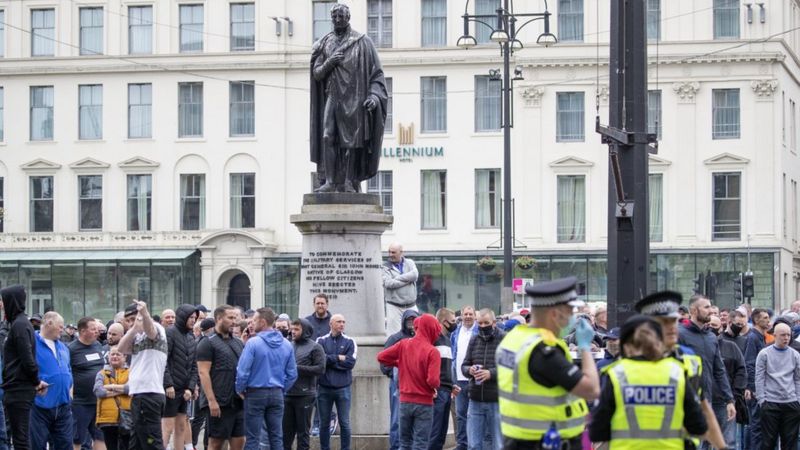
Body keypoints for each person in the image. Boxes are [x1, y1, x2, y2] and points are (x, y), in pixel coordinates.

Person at [496, 277, 599, 449]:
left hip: (519, 438)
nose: (573, 318)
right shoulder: (543, 351)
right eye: (570, 312)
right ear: (555, 314)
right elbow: (592, 389)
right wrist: (585, 347)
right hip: (547, 442)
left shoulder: (513, 340)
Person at [589, 315, 708, 448]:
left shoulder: (617, 374)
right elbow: (699, 426)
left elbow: (597, 431)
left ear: (628, 346)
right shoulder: (676, 373)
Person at [309, 3, 387, 193]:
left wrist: (374, 97)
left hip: (355, 99)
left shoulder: (363, 42)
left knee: (351, 141)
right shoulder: (324, 43)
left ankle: (349, 181)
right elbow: (317, 73)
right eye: (334, 17)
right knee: (328, 136)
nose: (337, 20)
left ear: (348, 18)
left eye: (341, 16)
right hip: (333, 96)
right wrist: (330, 62)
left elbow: (376, 75)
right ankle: (329, 181)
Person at [635, 290, 728, 449]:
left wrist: (722, 447)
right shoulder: (627, 367)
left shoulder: (688, 360)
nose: (672, 328)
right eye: (665, 323)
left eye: (674, 322)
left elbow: (703, 408)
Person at [235, 307, 298, 450]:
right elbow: (292, 374)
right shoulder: (287, 344)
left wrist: (240, 388)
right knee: (276, 437)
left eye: (255, 320)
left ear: (263, 322)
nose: (251, 324)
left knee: (252, 438)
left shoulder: (253, 343)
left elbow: (243, 371)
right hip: (277, 392)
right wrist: (282, 388)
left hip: (255, 392)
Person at [678, 295, 736, 449]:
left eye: (711, 307)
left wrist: (729, 400)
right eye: (706, 307)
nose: (711, 311)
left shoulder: (711, 337)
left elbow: (719, 370)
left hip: (707, 400)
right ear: (693, 310)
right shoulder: (679, 334)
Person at [377, 314, 441, 450]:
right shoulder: (432, 351)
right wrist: (433, 388)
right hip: (424, 403)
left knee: (404, 443)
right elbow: (433, 380)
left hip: (405, 401)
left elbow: (381, 357)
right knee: (420, 444)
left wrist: (399, 363)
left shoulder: (404, 344)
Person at [118, 300, 168, 450]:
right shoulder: (135, 335)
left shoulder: (157, 328)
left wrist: (144, 314)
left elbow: (151, 332)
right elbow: (121, 349)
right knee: (136, 443)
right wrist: (133, 329)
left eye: (133, 319)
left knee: (152, 442)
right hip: (139, 394)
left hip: (149, 394)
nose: (131, 323)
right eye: (128, 321)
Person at [1, 285, 47, 450]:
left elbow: (27, 359)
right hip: (17, 388)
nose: (2, 304)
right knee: (20, 437)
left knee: (20, 439)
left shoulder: (20, 325)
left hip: (19, 389)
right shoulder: (18, 324)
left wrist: (36, 381)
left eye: (3, 300)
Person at [197, 305, 244, 450]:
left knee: (240, 440)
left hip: (238, 401)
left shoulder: (237, 342)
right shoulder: (207, 342)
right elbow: (203, 373)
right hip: (219, 402)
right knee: (216, 443)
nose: (234, 321)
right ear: (218, 319)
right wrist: (212, 401)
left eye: (235, 318)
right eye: (230, 318)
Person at [461, 309, 507, 450]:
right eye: (479, 323)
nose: (482, 326)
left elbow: (511, 368)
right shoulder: (474, 339)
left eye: (486, 323)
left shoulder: (504, 339)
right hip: (475, 399)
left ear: (494, 323)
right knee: (474, 445)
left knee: (498, 444)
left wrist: (491, 374)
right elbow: (464, 365)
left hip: (496, 400)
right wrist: (470, 370)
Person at [31, 311, 73, 450]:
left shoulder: (63, 346)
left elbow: (68, 370)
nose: (63, 329)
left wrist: (70, 391)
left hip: (63, 406)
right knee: (37, 445)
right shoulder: (32, 343)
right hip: (39, 406)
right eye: (60, 326)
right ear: (49, 323)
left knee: (66, 445)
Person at [755, 322, 800, 450]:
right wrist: (762, 400)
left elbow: (797, 379)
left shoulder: (795, 355)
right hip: (770, 402)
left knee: (790, 442)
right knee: (768, 442)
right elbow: (759, 378)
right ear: (774, 335)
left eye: (788, 335)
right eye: (782, 335)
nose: (786, 338)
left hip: (791, 403)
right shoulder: (764, 354)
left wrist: (798, 400)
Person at [381, 309, 420, 450]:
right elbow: (383, 361)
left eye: (414, 319)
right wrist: (396, 373)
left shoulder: (421, 339)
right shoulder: (394, 338)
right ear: (403, 321)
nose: (411, 322)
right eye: (408, 319)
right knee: (397, 418)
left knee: (415, 420)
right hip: (398, 384)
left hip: (417, 385)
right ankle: (396, 446)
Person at [316, 314, 357, 450]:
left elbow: (350, 363)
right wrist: (338, 358)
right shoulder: (320, 341)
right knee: (324, 423)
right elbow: (319, 361)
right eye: (339, 321)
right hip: (324, 388)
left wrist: (330, 361)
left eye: (344, 322)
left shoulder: (350, 341)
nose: (342, 324)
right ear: (331, 323)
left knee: (345, 423)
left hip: (343, 388)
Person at [284, 318, 325, 450]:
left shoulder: (315, 347)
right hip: (287, 395)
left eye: (297, 329)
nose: (293, 332)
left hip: (305, 395)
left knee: (303, 434)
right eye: (292, 328)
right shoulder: (288, 345)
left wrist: (296, 368)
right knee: (285, 434)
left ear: (305, 331)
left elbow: (320, 369)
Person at [162, 304, 200, 450]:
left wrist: (190, 387)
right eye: (190, 317)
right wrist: (168, 384)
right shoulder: (170, 333)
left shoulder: (191, 336)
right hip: (171, 390)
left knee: (181, 427)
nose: (193, 320)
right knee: (167, 428)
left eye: (195, 318)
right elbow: (163, 360)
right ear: (183, 317)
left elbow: (193, 365)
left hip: (184, 390)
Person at [68, 317, 106, 450]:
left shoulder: (97, 345)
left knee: (101, 436)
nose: (98, 332)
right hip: (81, 402)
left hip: (99, 400)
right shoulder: (71, 349)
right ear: (83, 331)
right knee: (77, 437)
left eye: (97, 329)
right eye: (93, 329)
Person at [429, 308, 457, 450]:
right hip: (437, 390)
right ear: (444, 322)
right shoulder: (433, 339)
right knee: (435, 431)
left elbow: (445, 367)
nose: (455, 324)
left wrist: (452, 384)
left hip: (446, 389)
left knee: (441, 431)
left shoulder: (447, 340)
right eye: (453, 321)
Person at [94, 346, 132, 450]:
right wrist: (121, 390)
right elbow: (99, 391)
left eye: (118, 354)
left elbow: (131, 389)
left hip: (127, 418)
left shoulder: (131, 372)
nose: (115, 356)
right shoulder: (101, 373)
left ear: (124, 357)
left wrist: (111, 387)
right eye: (112, 354)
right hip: (108, 419)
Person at [744, 307, 771, 448]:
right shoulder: (752, 337)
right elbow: (749, 364)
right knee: (756, 427)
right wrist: (753, 388)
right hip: (756, 390)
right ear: (756, 320)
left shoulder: (761, 337)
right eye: (765, 318)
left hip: (762, 388)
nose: (768, 320)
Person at [451, 305, 477, 450]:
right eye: (465, 314)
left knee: (474, 414)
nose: (467, 316)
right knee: (460, 414)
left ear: (475, 316)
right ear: (461, 315)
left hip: (474, 380)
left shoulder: (479, 331)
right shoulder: (455, 332)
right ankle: (462, 444)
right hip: (459, 380)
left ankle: (474, 444)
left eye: (470, 314)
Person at [382, 243, 419, 336]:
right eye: (389, 252)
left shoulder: (410, 262)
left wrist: (397, 279)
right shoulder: (385, 266)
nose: (390, 255)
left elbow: (415, 275)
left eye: (393, 252)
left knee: (416, 333)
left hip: (411, 305)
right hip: (394, 307)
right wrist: (407, 280)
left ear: (401, 253)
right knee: (394, 336)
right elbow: (388, 283)